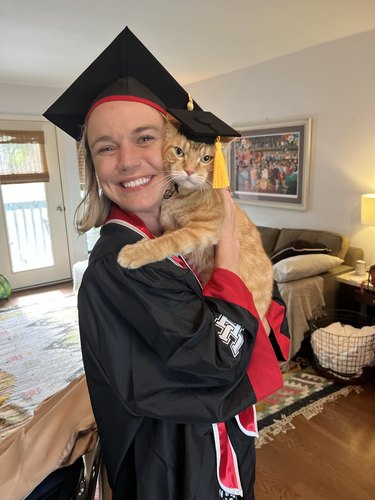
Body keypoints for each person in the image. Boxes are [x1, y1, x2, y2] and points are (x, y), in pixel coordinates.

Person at [44, 27, 290, 500]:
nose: (129, 162)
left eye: (145, 138)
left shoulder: (178, 233)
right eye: (106, 147)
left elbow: (265, 310)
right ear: (92, 166)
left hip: (217, 439)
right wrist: (231, 257)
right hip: (174, 459)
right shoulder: (121, 262)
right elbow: (220, 359)